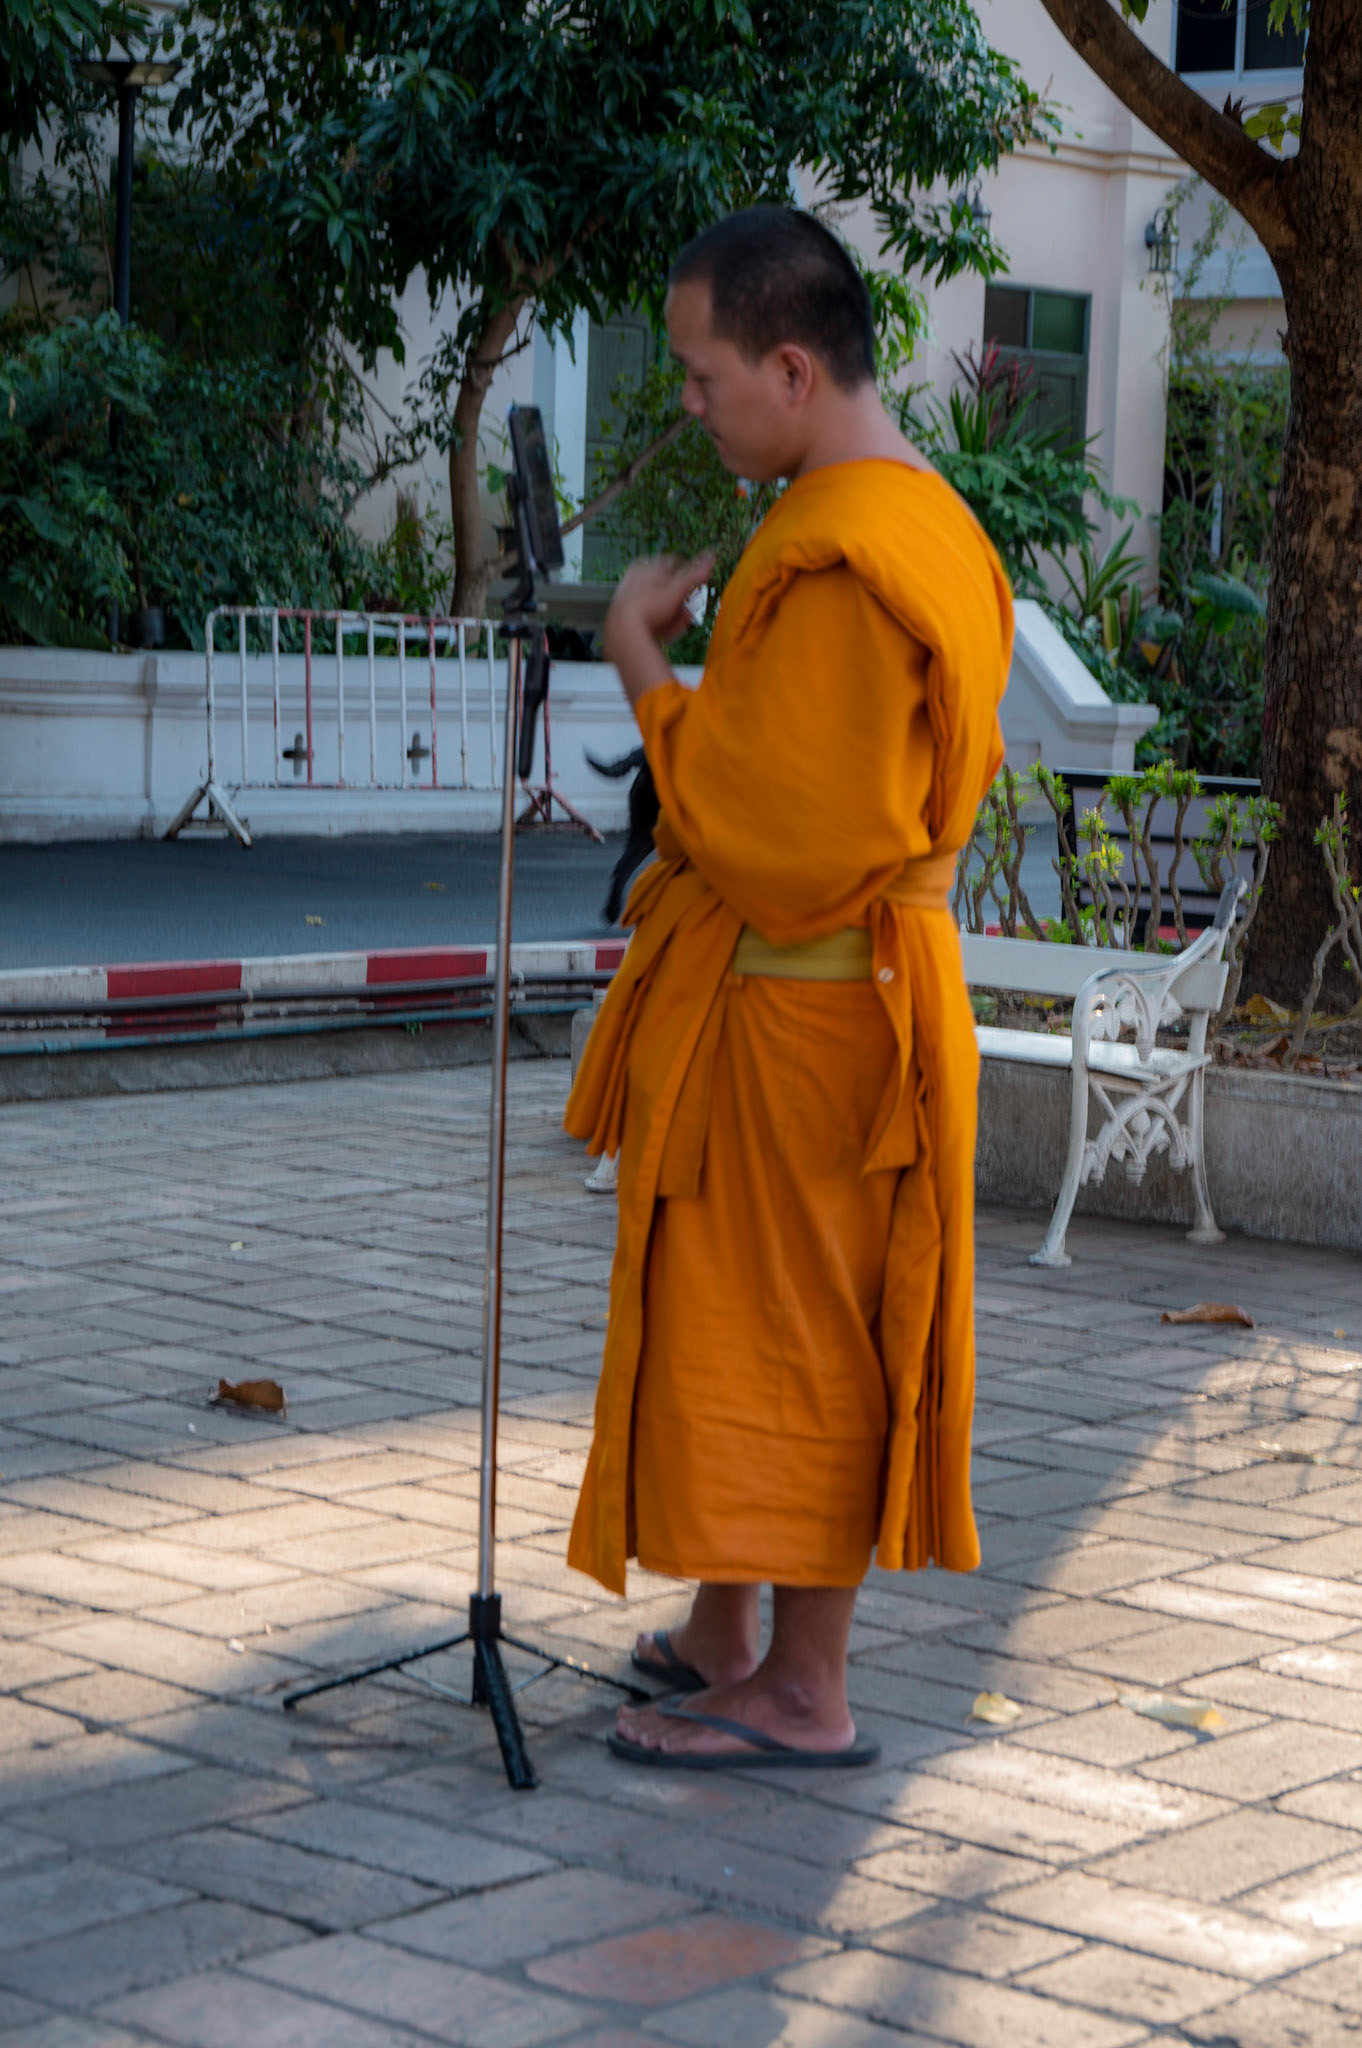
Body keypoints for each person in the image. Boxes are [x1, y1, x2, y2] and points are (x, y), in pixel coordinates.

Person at [565, 206, 1013, 1768]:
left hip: (816, 1013)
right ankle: (719, 1630)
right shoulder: (909, 518)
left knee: (808, 1339)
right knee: (734, 1318)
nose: (689, 402)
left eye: (700, 375)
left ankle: (804, 1689)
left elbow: (768, 838)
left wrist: (636, 655)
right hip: (805, 1006)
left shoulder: (844, 555)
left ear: (790, 364)